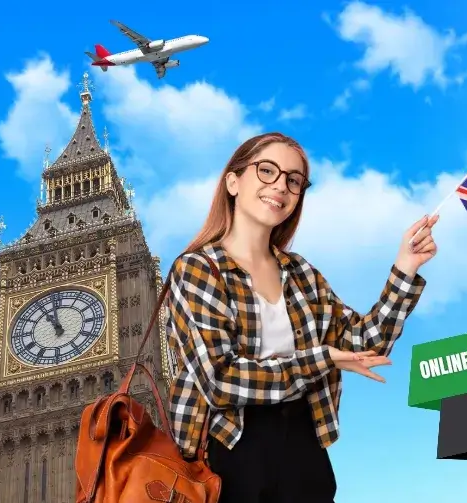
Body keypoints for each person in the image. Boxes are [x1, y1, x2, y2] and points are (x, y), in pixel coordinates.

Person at [162, 132, 438, 503]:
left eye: (293, 180)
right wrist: (320, 359)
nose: (281, 186)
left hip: (305, 450)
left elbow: (363, 345)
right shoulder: (196, 269)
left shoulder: (302, 274)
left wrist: (405, 269)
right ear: (233, 181)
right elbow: (221, 381)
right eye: (266, 171)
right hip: (230, 455)